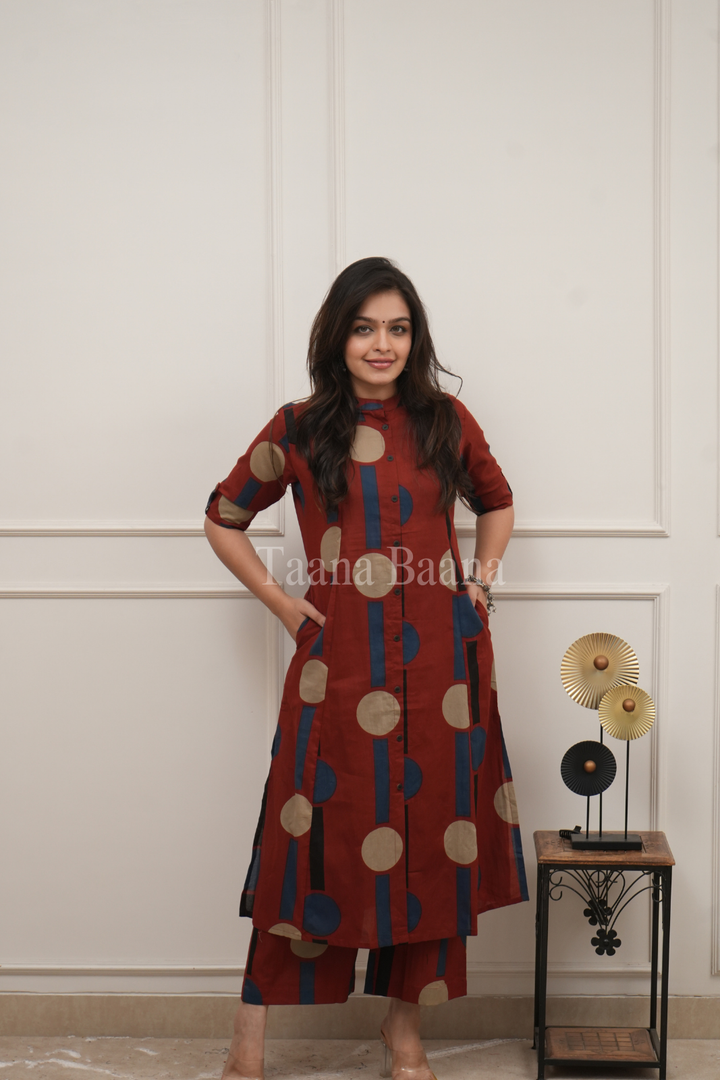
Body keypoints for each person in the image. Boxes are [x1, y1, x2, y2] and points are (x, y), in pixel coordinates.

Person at [204, 257, 528, 1080]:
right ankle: (248, 1038)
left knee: (429, 840)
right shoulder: (298, 427)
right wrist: (283, 605)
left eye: (398, 329)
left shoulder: (446, 420)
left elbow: (497, 500)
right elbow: (223, 517)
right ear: (337, 336)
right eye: (364, 328)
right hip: (338, 664)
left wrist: (481, 584)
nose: (382, 344)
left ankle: (403, 1031)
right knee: (306, 837)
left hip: (443, 671)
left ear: (415, 338)